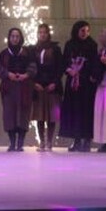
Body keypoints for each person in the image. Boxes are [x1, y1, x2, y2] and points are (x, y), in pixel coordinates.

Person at [61, 21, 98, 152]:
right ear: (76, 30)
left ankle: (87, 140)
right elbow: (64, 61)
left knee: (86, 112)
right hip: (73, 84)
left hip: (86, 84)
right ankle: (76, 140)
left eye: (87, 31)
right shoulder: (69, 44)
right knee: (74, 111)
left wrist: (89, 75)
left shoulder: (92, 45)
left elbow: (94, 63)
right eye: (82, 30)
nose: (85, 33)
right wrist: (69, 70)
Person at [0, 27, 35, 152]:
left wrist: (26, 75)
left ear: (21, 38)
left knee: (23, 114)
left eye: (17, 36)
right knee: (9, 114)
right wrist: (8, 74)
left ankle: (20, 143)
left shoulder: (27, 53)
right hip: (9, 88)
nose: (15, 39)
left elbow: (33, 66)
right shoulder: (4, 53)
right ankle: (12, 142)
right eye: (12, 36)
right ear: (9, 38)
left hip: (24, 87)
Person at [29, 23, 63, 152]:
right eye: (40, 32)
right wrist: (34, 83)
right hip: (38, 85)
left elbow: (60, 67)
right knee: (40, 115)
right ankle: (42, 142)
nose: (42, 34)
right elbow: (31, 67)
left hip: (52, 86)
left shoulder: (55, 49)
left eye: (44, 32)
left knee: (51, 116)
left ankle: (49, 142)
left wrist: (55, 82)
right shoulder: (33, 49)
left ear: (48, 34)